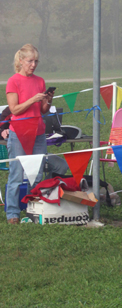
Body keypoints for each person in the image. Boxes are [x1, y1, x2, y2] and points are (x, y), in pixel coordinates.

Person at [5, 44, 54, 224]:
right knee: (16, 175)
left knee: (37, 174)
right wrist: (33, 99)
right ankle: (12, 213)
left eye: (36, 61)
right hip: (19, 132)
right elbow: (14, 110)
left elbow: (42, 111)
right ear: (21, 61)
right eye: (30, 61)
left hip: (39, 132)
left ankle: (34, 210)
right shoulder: (13, 81)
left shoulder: (40, 81)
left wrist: (48, 100)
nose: (33, 65)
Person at [0, 106, 68, 179]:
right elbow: (1, 128)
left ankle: (44, 188)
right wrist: (2, 132)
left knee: (62, 165)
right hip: (19, 155)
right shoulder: (11, 109)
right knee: (18, 177)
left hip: (40, 153)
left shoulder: (41, 107)